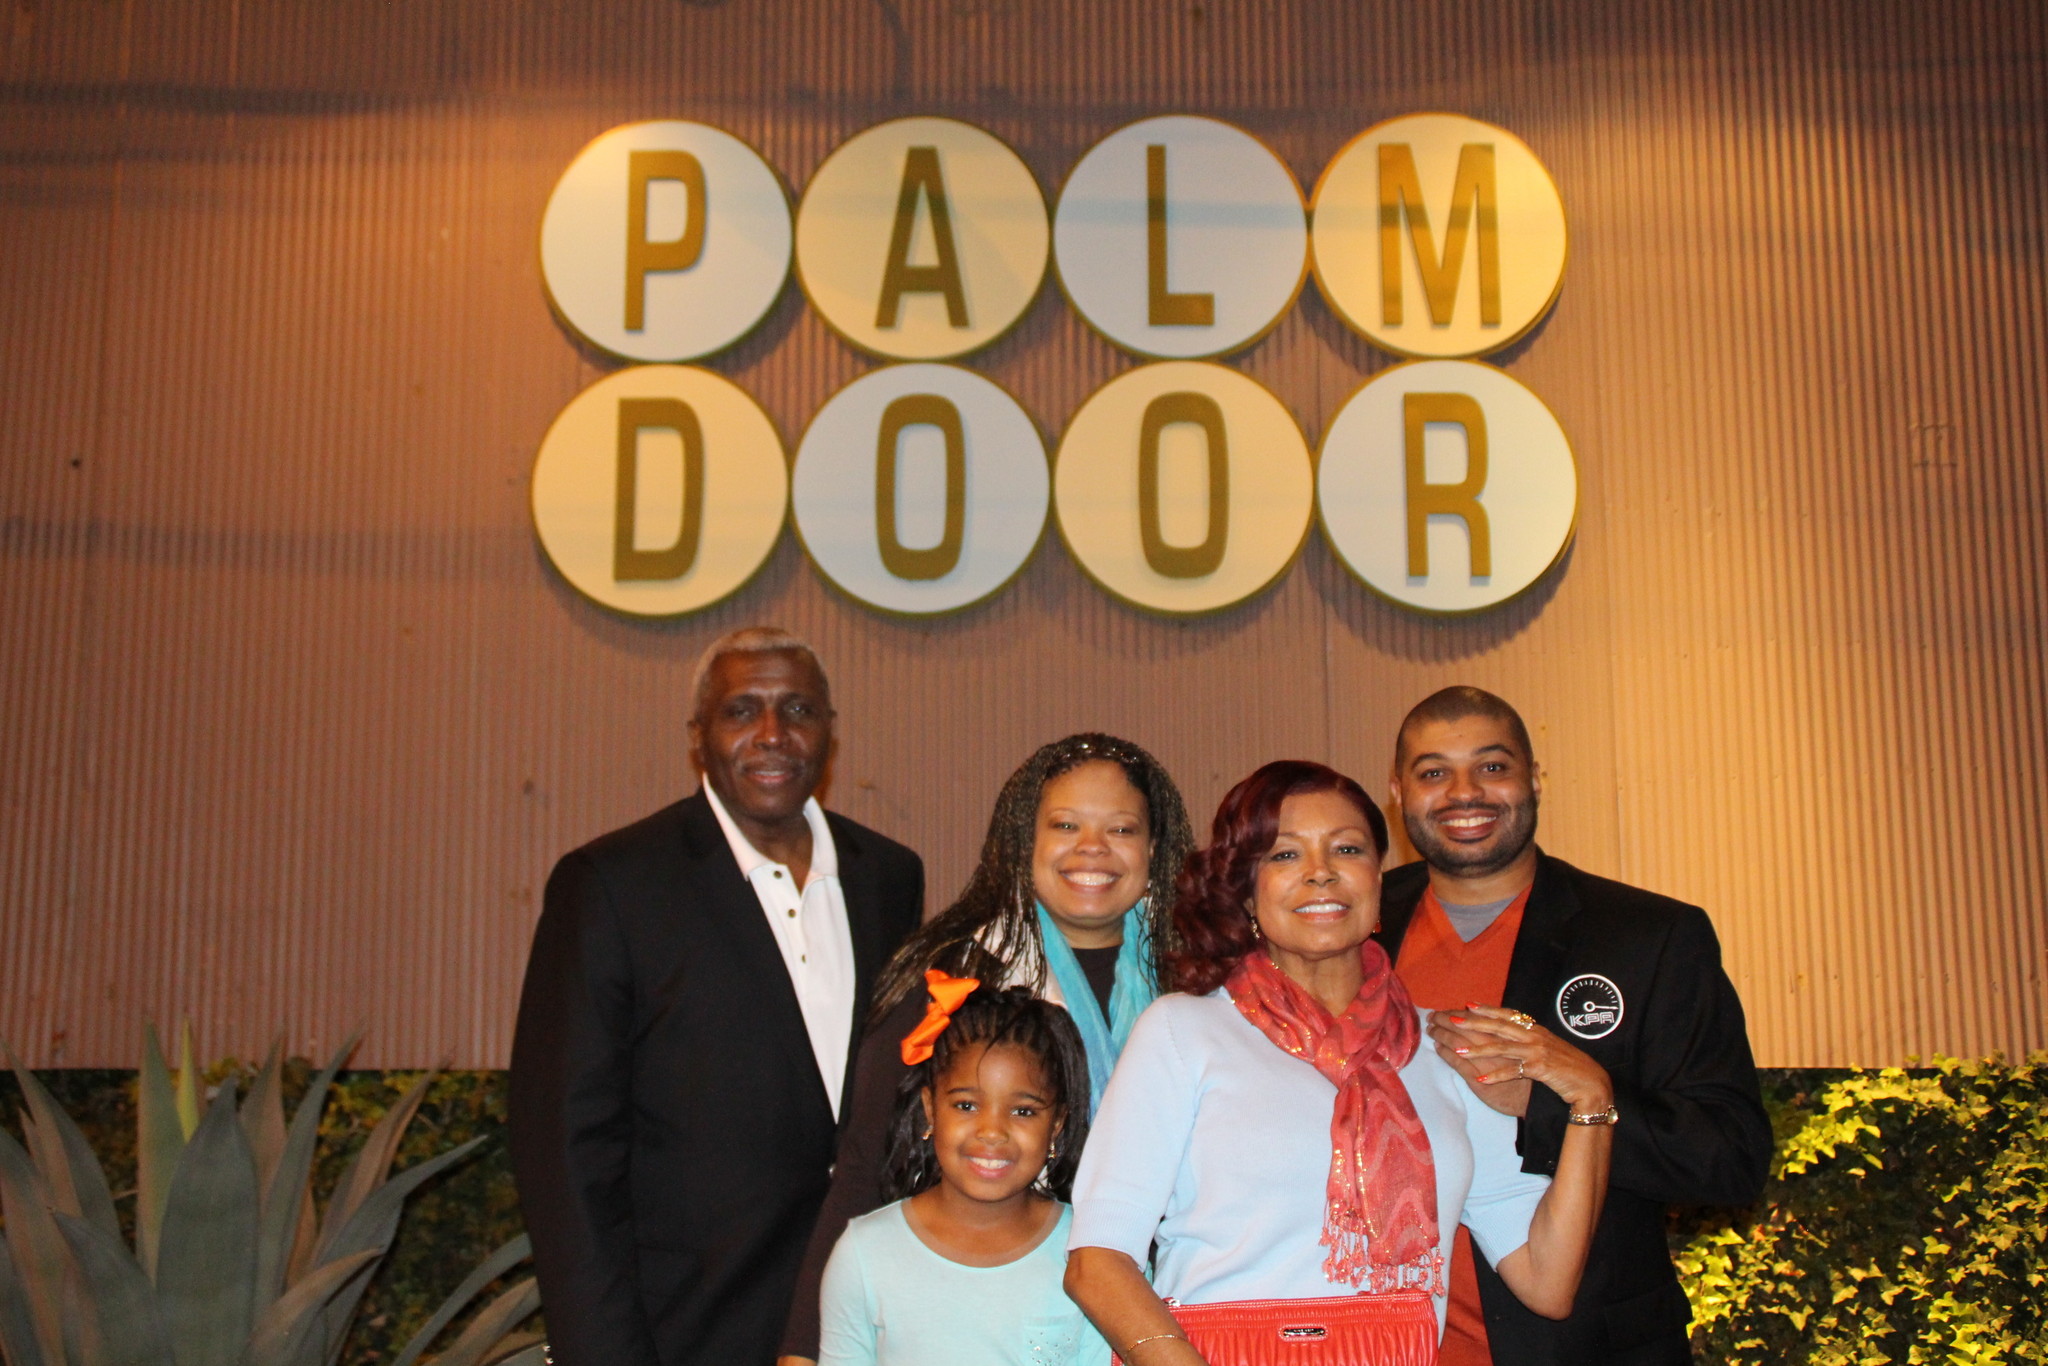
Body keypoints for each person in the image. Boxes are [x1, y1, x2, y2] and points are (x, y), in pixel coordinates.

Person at [1065, 760, 1617, 1364]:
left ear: (1379, 880)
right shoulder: (1183, 1031)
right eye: (1284, 856)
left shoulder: (1445, 1049)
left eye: (1347, 849)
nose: (1320, 873)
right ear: (1245, 890)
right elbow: (1098, 1262)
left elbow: (1547, 1280)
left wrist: (1592, 1103)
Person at [508, 626, 925, 1366]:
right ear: (698, 736)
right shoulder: (612, 884)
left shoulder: (889, 878)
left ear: (829, 731)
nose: (773, 734)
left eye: (798, 710)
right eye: (742, 711)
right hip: (684, 1330)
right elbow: (564, 1149)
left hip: (865, 1323)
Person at [1377, 686, 1771, 1366]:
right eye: (1433, 772)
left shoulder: (1648, 936)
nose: (1463, 792)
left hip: (1585, 1345)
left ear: (1535, 778)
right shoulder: (1353, 926)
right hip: (1380, 1343)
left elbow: (1730, 1158)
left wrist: (1549, 1106)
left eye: (1492, 767)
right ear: (1398, 792)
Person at [780, 732, 1193, 1364]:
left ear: (1154, 848)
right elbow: (862, 1170)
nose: (1092, 849)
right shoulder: (957, 978)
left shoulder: (1203, 982)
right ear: (1025, 840)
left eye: (1121, 830)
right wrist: (803, 1353)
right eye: (1065, 825)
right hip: (1008, 1308)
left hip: (1188, 1309)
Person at [817, 982, 1112, 1366]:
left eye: (1023, 1111)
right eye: (967, 1105)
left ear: (1056, 1124)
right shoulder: (864, 1255)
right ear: (930, 1109)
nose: (991, 1132)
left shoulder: (1092, 1255)